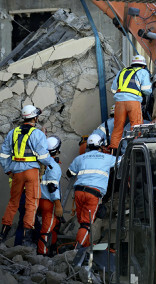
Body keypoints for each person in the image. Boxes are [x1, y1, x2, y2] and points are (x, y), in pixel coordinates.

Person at [0, 105, 53, 246]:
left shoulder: (12, 133)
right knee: (31, 203)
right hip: (31, 173)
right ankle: (25, 237)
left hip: (16, 172)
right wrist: (50, 163)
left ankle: (3, 233)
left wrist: (7, 170)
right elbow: (43, 156)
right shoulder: (37, 134)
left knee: (13, 202)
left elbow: (4, 154)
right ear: (35, 117)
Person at [66, 133, 116, 249]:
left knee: (82, 222)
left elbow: (69, 173)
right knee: (86, 224)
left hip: (78, 192)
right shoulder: (107, 158)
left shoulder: (80, 158)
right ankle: (77, 250)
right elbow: (122, 161)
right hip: (93, 193)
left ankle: (86, 246)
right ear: (102, 145)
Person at [110, 55, 152, 152]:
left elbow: (113, 89)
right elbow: (147, 90)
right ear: (143, 65)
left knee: (117, 127)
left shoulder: (122, 72)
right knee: (136, 127)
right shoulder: (143, 72)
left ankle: (113, 151)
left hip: (119, 103)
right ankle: (135, 150)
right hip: (133, 102)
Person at [37, 135, 63, 255]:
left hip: (40, 199)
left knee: (53, 226)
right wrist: (58, 204)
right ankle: (42, 254)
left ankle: (52, 249)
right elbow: (52, 187)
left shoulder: (40, 163)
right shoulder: (54, 166)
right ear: (57, 150)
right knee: (47, 229)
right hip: (49, 201)